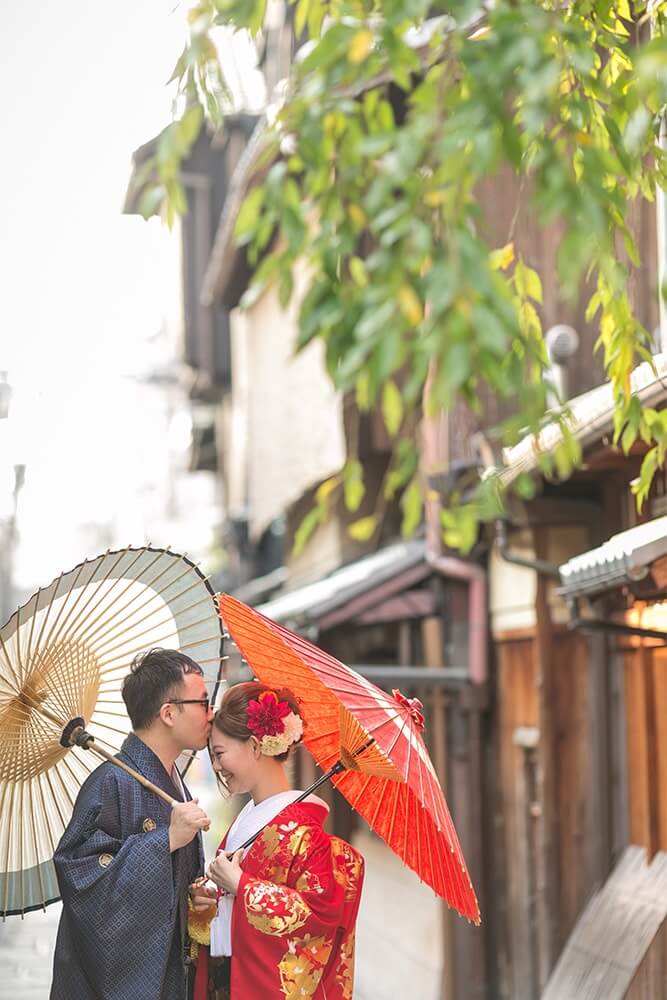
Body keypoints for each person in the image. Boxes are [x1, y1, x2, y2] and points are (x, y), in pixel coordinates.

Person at [50, 648, 214, 1000]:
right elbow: (82, 879)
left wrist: (193, 897)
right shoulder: (110, 783)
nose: (211, 714)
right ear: (169, 713)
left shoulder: (173, 782)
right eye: (203, 702)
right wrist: (164, 841)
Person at [188, 682, 364, 1000]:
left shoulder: (304, 834)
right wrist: (211, 901)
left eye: (219, 753)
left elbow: (319, 916)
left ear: (255, 747)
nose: (216, 767)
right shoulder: (249, 821)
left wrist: (243, 885)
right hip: (227, 980)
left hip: (256, 987)